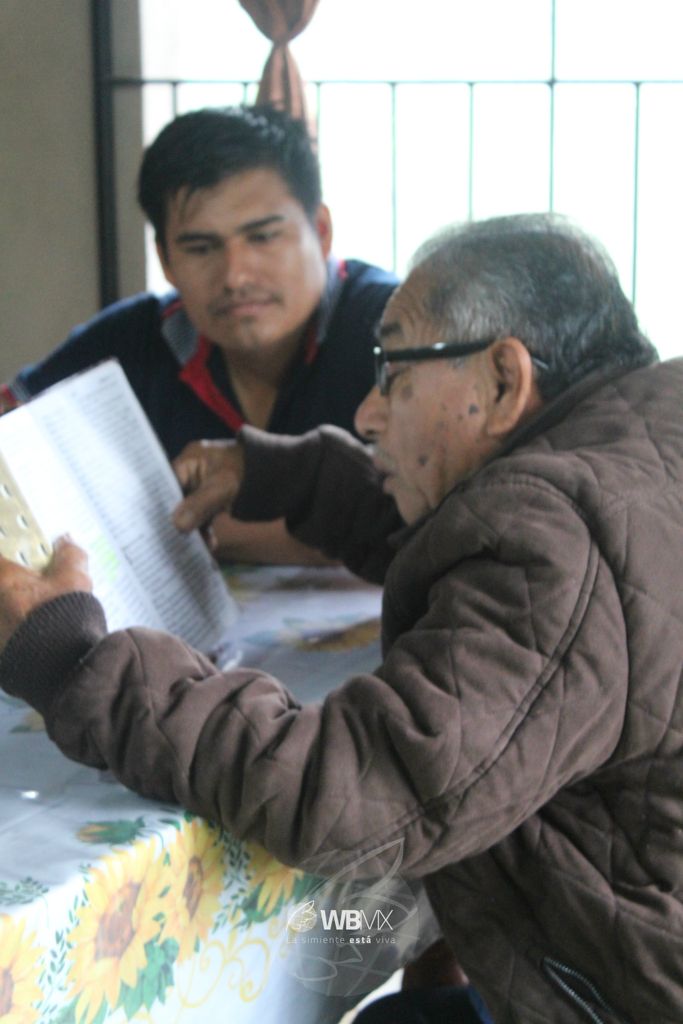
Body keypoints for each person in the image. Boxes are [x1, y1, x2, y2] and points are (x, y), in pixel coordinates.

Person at [1, 212, 681, 1023]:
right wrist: (296, 478)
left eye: (393, 370)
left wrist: (75, 661)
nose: (368, 411)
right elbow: (491, 556)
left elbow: (351, 792)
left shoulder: (558, 532)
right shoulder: (638, 441)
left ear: (503, 380)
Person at [2, 105, 397, 563]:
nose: (235, 275)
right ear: (166, 260)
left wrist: (186, 528)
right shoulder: (132, 341)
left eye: (263, 237)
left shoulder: (393, 328)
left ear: (322, 231)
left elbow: (439, 517)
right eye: (201, 248)